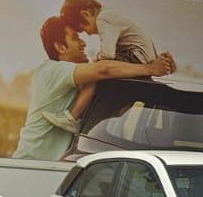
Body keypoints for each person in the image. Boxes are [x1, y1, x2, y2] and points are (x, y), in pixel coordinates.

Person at [13, 16, 174, 161]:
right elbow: (103, 70)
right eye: (76, 38)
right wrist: (151, 68)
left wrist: (161, 62)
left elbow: (113, 75)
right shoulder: (50, 70)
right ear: (61, 47)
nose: (83, 43)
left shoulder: (84, 85)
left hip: (52, 169)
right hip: (29, 166)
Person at [61, 0, 159, 64]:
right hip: (142, 56)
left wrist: (95, 59)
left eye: (83, 29)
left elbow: (107, 55)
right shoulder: (108, 13)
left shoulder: (103, 19)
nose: (88, 34)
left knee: (99, 67)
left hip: (137, 57)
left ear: (85, 14)